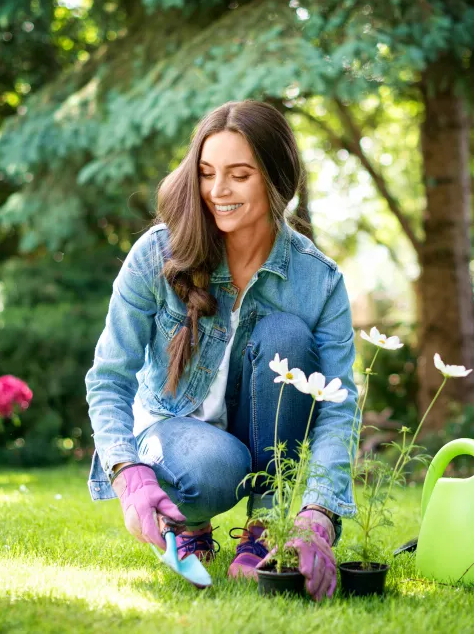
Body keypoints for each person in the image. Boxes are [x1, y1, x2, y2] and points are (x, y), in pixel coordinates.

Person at [84, 100, 359, 600]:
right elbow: (109, 377)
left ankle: (266, 529)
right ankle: (188, 524)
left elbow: (338, 405)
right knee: (219, 465)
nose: (218, 191)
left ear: (277, 181)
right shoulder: (157, 253)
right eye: (207, 173)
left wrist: (318, 513)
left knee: (288, 337)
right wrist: (128, 472)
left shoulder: (318, 280)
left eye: (239, 175)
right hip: (174, 430)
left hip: (256, 441)